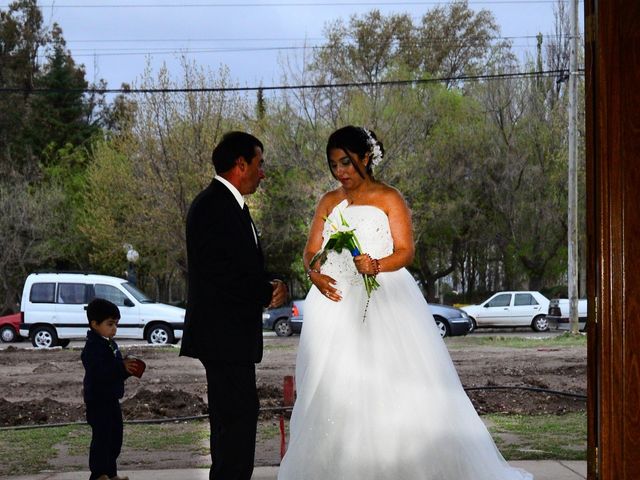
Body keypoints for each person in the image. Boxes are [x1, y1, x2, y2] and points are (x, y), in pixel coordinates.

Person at [278, 126, 533, 479]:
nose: (341, 172)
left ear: (366, 158)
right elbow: (310, 250)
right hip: (332, 304)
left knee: (388, 387)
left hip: (383, 301)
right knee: (331, 388)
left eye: (347, 163)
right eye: (334, 165)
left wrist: (377, 264)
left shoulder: (389, 198)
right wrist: (313, 273)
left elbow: (405, 251)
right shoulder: (327, 201)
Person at [180, 131, 288, 480]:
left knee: (235, 421)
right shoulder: (213, 207)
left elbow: (244, 265)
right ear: (240, 164)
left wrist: (271, 283)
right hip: (222, 336)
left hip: (231, 337)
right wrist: (263, 291)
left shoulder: (230, 206)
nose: (263, 172)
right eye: (259, 164)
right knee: (235, 422)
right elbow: (221, 272)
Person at [81, 298, 137, 480]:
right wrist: (121, 368)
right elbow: (100, 372)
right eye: (110, 324)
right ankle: (99, 474)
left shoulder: (110, 344)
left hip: (111, 398)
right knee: (102, 438)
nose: (114, 328)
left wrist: (126, 368)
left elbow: (114, 370)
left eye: (116, 324)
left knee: (115, 438)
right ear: (94, 324)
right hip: (97, 401)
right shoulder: (92, 348)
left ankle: (111, 474)